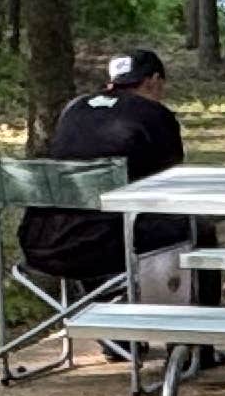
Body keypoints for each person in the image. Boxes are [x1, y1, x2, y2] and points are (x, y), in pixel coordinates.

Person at [19, 48, 197, 311]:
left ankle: (107, 314)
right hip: (107, 247)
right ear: (154, 81)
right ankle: (194, 330)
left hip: (42, 244)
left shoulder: (74, 108)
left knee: (107, 222)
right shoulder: (155, 115)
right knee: (194, 228)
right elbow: (169, 181)